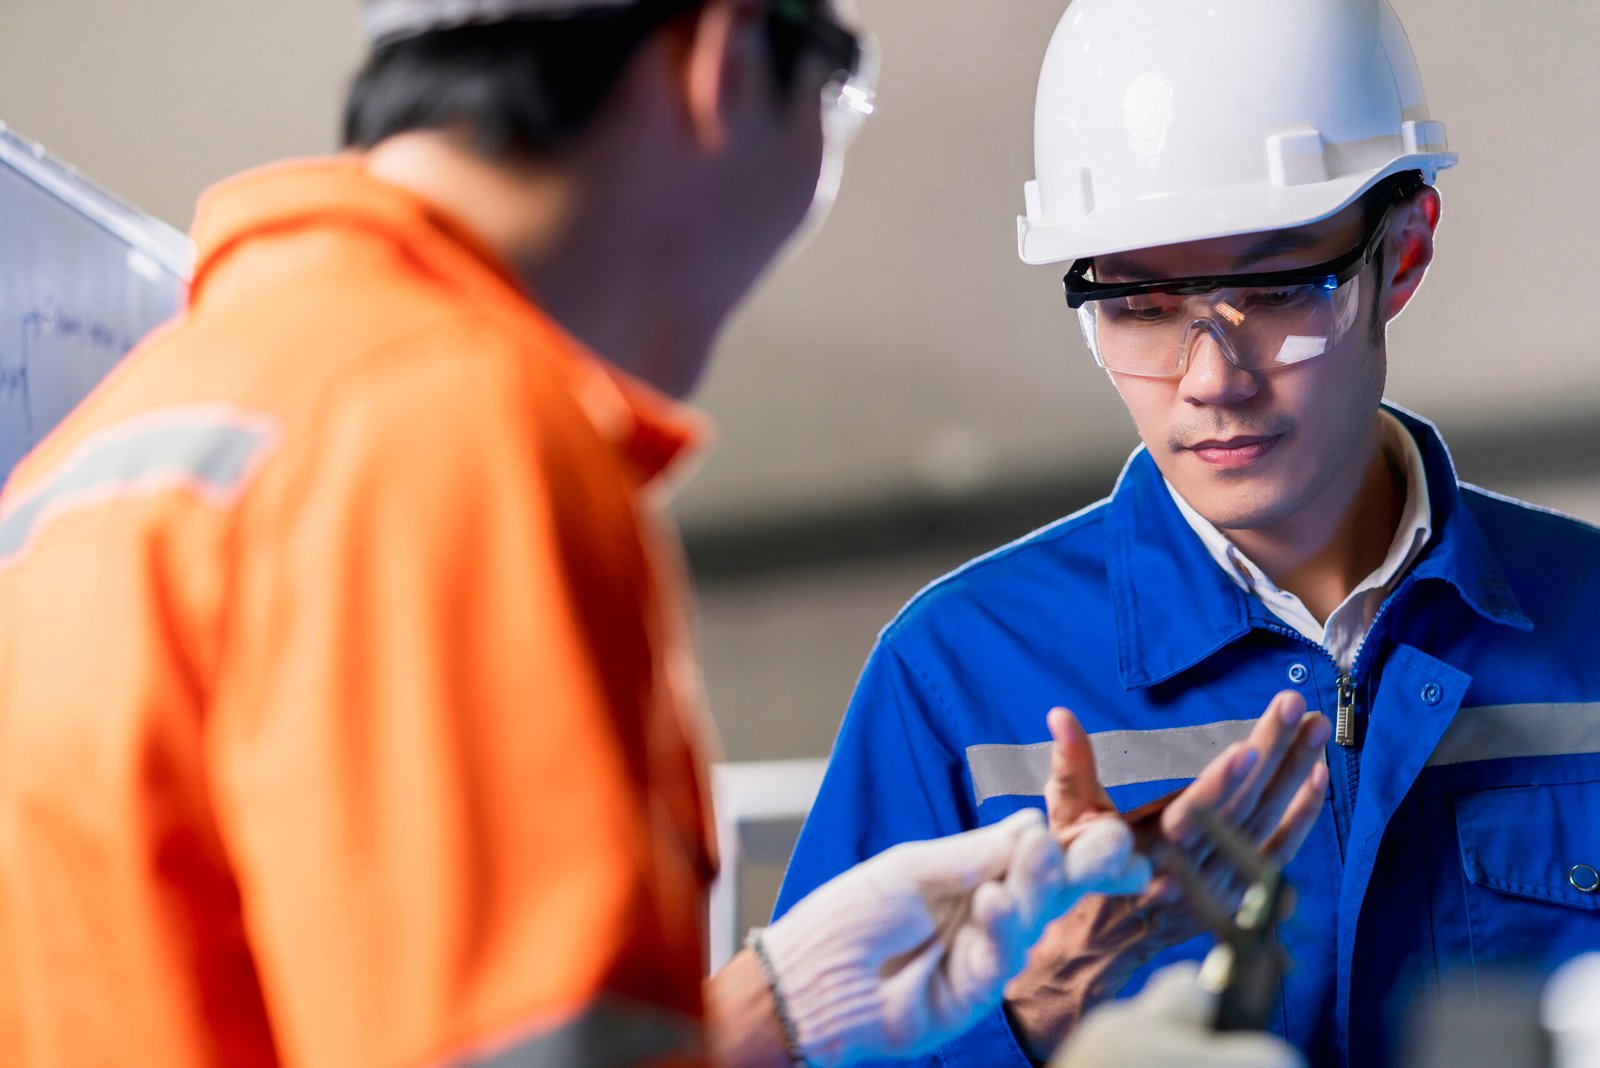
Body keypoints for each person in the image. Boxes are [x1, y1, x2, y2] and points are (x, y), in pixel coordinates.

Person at [0, 1, 1314, 1066]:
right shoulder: (445, 424)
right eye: (835, 98)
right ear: (727, 52)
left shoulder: (120, 443)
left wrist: (773, 1010)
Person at [774, 1, 1600, 1066]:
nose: (1209, 380)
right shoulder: (956, 683)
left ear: (1402, 253)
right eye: (1137, 304)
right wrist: (1031, 1015)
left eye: (1272, 290)